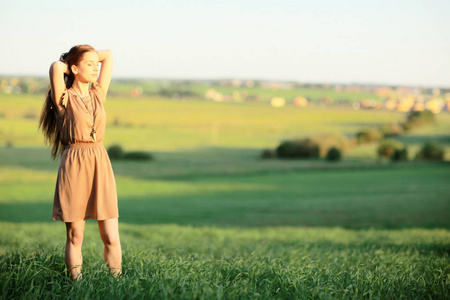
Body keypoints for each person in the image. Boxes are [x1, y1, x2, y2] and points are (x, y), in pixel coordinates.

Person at [39, 45, 122, 280]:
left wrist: (89, 58)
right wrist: (71, 63)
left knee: (111, 235)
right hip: (74, 164)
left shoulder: (98, 93)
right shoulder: (63, 99)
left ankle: (116, 284)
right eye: (89, 64)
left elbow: (109, 55)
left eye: (97, 65)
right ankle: (77, 286)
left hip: (100, 162)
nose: (96, 68)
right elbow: (56, 67)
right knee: (76, 235)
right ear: (74, 68)